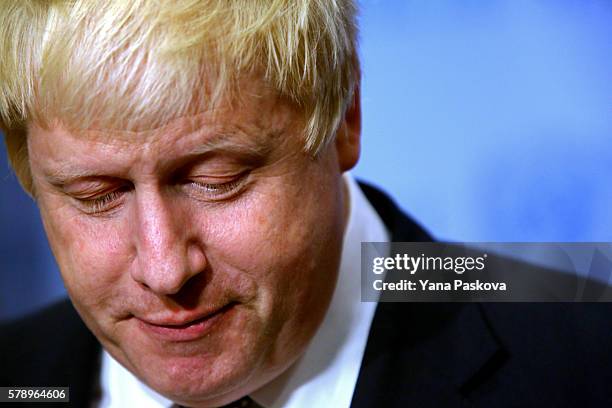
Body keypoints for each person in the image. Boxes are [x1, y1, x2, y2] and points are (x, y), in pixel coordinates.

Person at [1, 1, 611, 407]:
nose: (164, 269)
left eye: (217, 179)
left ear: (345, 117)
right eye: (97, 197)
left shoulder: (586, 367)